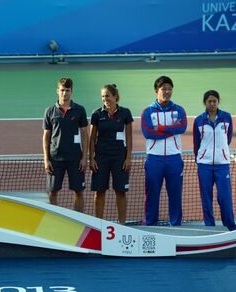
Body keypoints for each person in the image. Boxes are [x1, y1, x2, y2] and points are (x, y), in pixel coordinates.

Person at [141, 76, 187, 226]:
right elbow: (148, 133)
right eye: (163, 89)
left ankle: (175, 224)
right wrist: (171, 129)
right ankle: (151, 223)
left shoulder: (179, 109)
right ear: (156, 91)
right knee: (152, 193)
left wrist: (160, 128)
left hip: (174, 158)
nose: (167, 92)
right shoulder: (147, 112)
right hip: (154, 159)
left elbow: (182, 128)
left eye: (169, 89)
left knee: (175, 194)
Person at [42, 77, 89, 212]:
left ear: (71, 91)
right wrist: (46, 159)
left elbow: (85, 134)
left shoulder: (79, 110)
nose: (64, 93)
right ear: (57, 91)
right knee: (52, 192)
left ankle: (79, 221)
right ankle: (52, 222)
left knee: (78, 192)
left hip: (75, 159)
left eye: (67, 90)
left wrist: (84, 157)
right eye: (62, 90)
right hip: (55, 159)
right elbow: (46, 136)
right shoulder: (50, 111)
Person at [89, 84, 133, 224]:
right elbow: (91, 139)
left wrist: (128, 158)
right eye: (103, 96)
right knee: (99, 192)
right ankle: (99, 224)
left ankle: (122, 224)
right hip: (101, 158)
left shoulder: (125, 113)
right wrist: (91, 158)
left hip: (119, 158)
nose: (105, 99)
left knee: (120, 191)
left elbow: (129, 137)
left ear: (115, 96)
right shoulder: (97, 114)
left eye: (107, 95)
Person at [193, 90, 235, 231]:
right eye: (209, 101)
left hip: (222, 164)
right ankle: (209, 226)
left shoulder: (227, 117)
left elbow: (228, 138)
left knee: (225, 197)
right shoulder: (199, 120)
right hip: (204, 165)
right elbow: (196, 143)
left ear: (218, 102)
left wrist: (222, 152)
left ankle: (230, 225)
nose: (212, 104)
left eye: (214, 101)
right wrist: (201, 157)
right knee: (206, 197)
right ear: (205, 103)